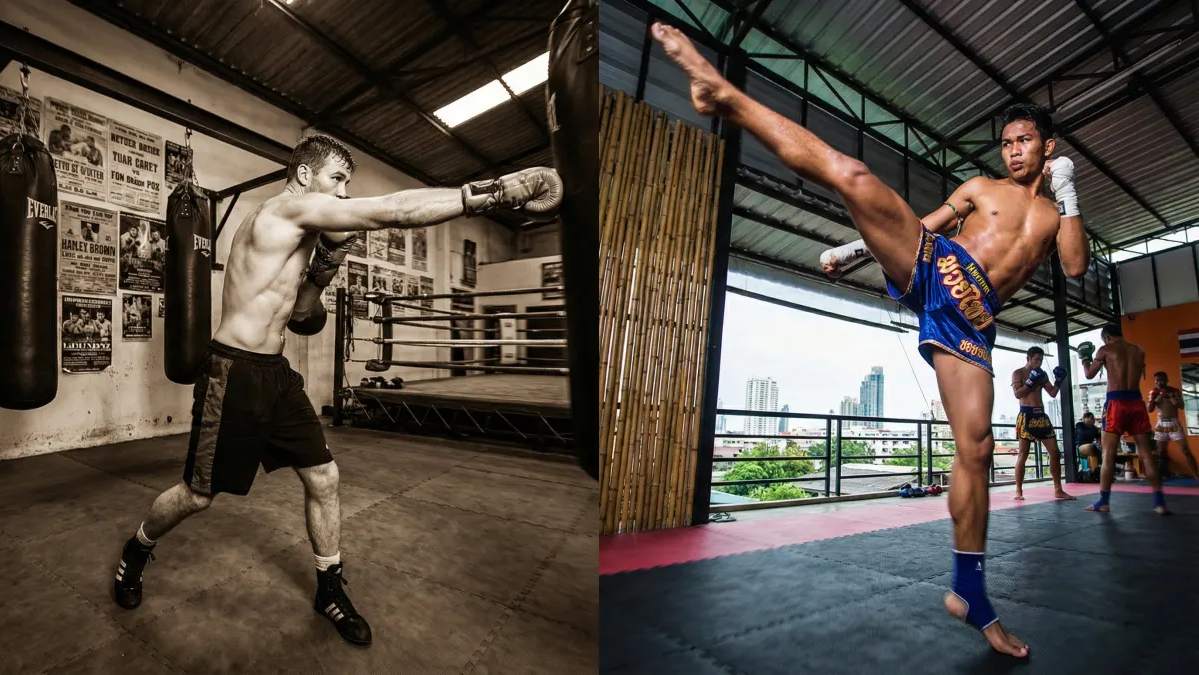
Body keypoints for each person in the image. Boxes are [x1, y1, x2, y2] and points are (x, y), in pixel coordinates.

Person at [650, 23, 1094, 657]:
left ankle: (970, 592)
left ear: (1047, 147)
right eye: (1006, 142)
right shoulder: (979, 188)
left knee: (975, 448)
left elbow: (1074, 266)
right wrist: (857, 249)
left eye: (1024, 141)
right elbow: (924, 225)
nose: (1013, 151)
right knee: (854, 175)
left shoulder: (1054, 214)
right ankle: (722, 94)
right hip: (937, 265)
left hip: (973, 320)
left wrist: (1068, 188)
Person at [111, 134, 562, 647]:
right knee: (198, 495)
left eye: (347, 183)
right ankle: (137, 550)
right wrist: (491, 193)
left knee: (324, 477)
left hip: (275, 373)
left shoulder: (303, 231)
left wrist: (320, 275)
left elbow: (300, 311)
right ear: (305, 176)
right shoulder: (282, 211)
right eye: (337, 179)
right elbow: (393, 211)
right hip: (233, 374)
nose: (344, 192)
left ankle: (329, 588)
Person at [1078, 325, 1168, 515]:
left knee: (1108, 454)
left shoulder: (1105, 349)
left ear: (1106, 337)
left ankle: (1104, 502)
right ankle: (1160, 503)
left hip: (1116, 403)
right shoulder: (1138, 350)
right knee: (1146, 454)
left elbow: (1089, 374)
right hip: (1136, 402)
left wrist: (1085, 359)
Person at [1011, 346, 1073, 500]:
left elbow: (1052, 393)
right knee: (1023, 454)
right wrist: (1030, 382)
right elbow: (1018, 394)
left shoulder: (1042, 374)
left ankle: (1058, 490)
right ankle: (1018, 491)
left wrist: (1059, 381)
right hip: (1026, 415)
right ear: (1028, 358)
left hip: (1041, 416)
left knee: (1055, 452)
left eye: (1040, 360)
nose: (1038, 363)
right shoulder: (1018, 373)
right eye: (1036, 359)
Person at [1148, 371, 1196, 478]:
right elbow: (1149, 410)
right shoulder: (1154, 392)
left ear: (1167, 380)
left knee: (1185, 451)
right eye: (1157, 380)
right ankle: (1163, 474)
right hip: (1161, 424)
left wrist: (1174, 401)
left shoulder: (1174, 391)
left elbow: (1182, 406)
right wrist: (1155, 400)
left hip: (1173, 423)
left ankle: (1197, 476)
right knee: (1161, 453)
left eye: (1161, 380)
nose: (1159, 383)